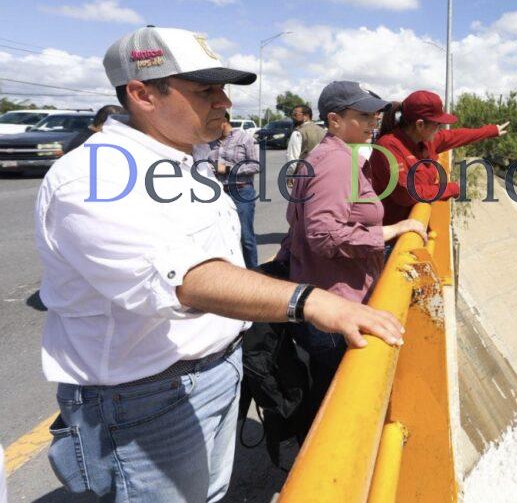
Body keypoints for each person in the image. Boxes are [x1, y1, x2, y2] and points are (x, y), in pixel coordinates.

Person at [35, 26, 404, 503]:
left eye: (223, 89)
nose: (224, 102)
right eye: (205, 90)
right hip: (143, 398)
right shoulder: (94, 175)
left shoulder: (188, 162)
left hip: (208, 375)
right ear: (142, 93)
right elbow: (186, 279)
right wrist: (311, 302)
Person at [285, 81, 428, 413]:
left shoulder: (324, 155)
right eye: (363, 115)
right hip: (336, 306)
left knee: (324, 392)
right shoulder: (336, 161)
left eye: (374, 115)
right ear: (334, 120)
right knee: (336, 403)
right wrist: (390, 230)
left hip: (322, 299)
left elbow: (298, 222)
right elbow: (322, 234)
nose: (373, 122)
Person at [369, 90, 509, 226]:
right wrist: (452, 188)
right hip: (392, 242)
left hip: (416, 228)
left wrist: (491, 131)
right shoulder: (388, 147)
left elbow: (456, 136)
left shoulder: (425, 140)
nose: (440, 128)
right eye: (437, 124)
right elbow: (407, 194)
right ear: (420, 125)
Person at [194, 113, 261, 269]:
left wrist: (227, 169)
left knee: (246, 237)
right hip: (218, 193)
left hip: (241, 191)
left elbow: (256, 166)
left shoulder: (245, 139)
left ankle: (254, 273)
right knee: (221, 235)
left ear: (223, 121)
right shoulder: (209, 142)